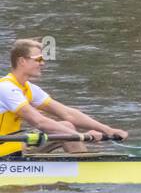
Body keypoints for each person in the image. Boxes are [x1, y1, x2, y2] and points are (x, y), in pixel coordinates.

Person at [0, 38, 129, 156]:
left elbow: (68, 113)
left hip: (13, 146)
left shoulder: (29, 88)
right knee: (67, 131)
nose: (43, 63)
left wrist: (108, 130)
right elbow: (40, 122)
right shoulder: (6, 88)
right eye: (38, 59)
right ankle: (82, 171)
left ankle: (81, 166)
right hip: (4, 153)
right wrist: (81, 136)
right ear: (22, 61)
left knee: (66, 125)